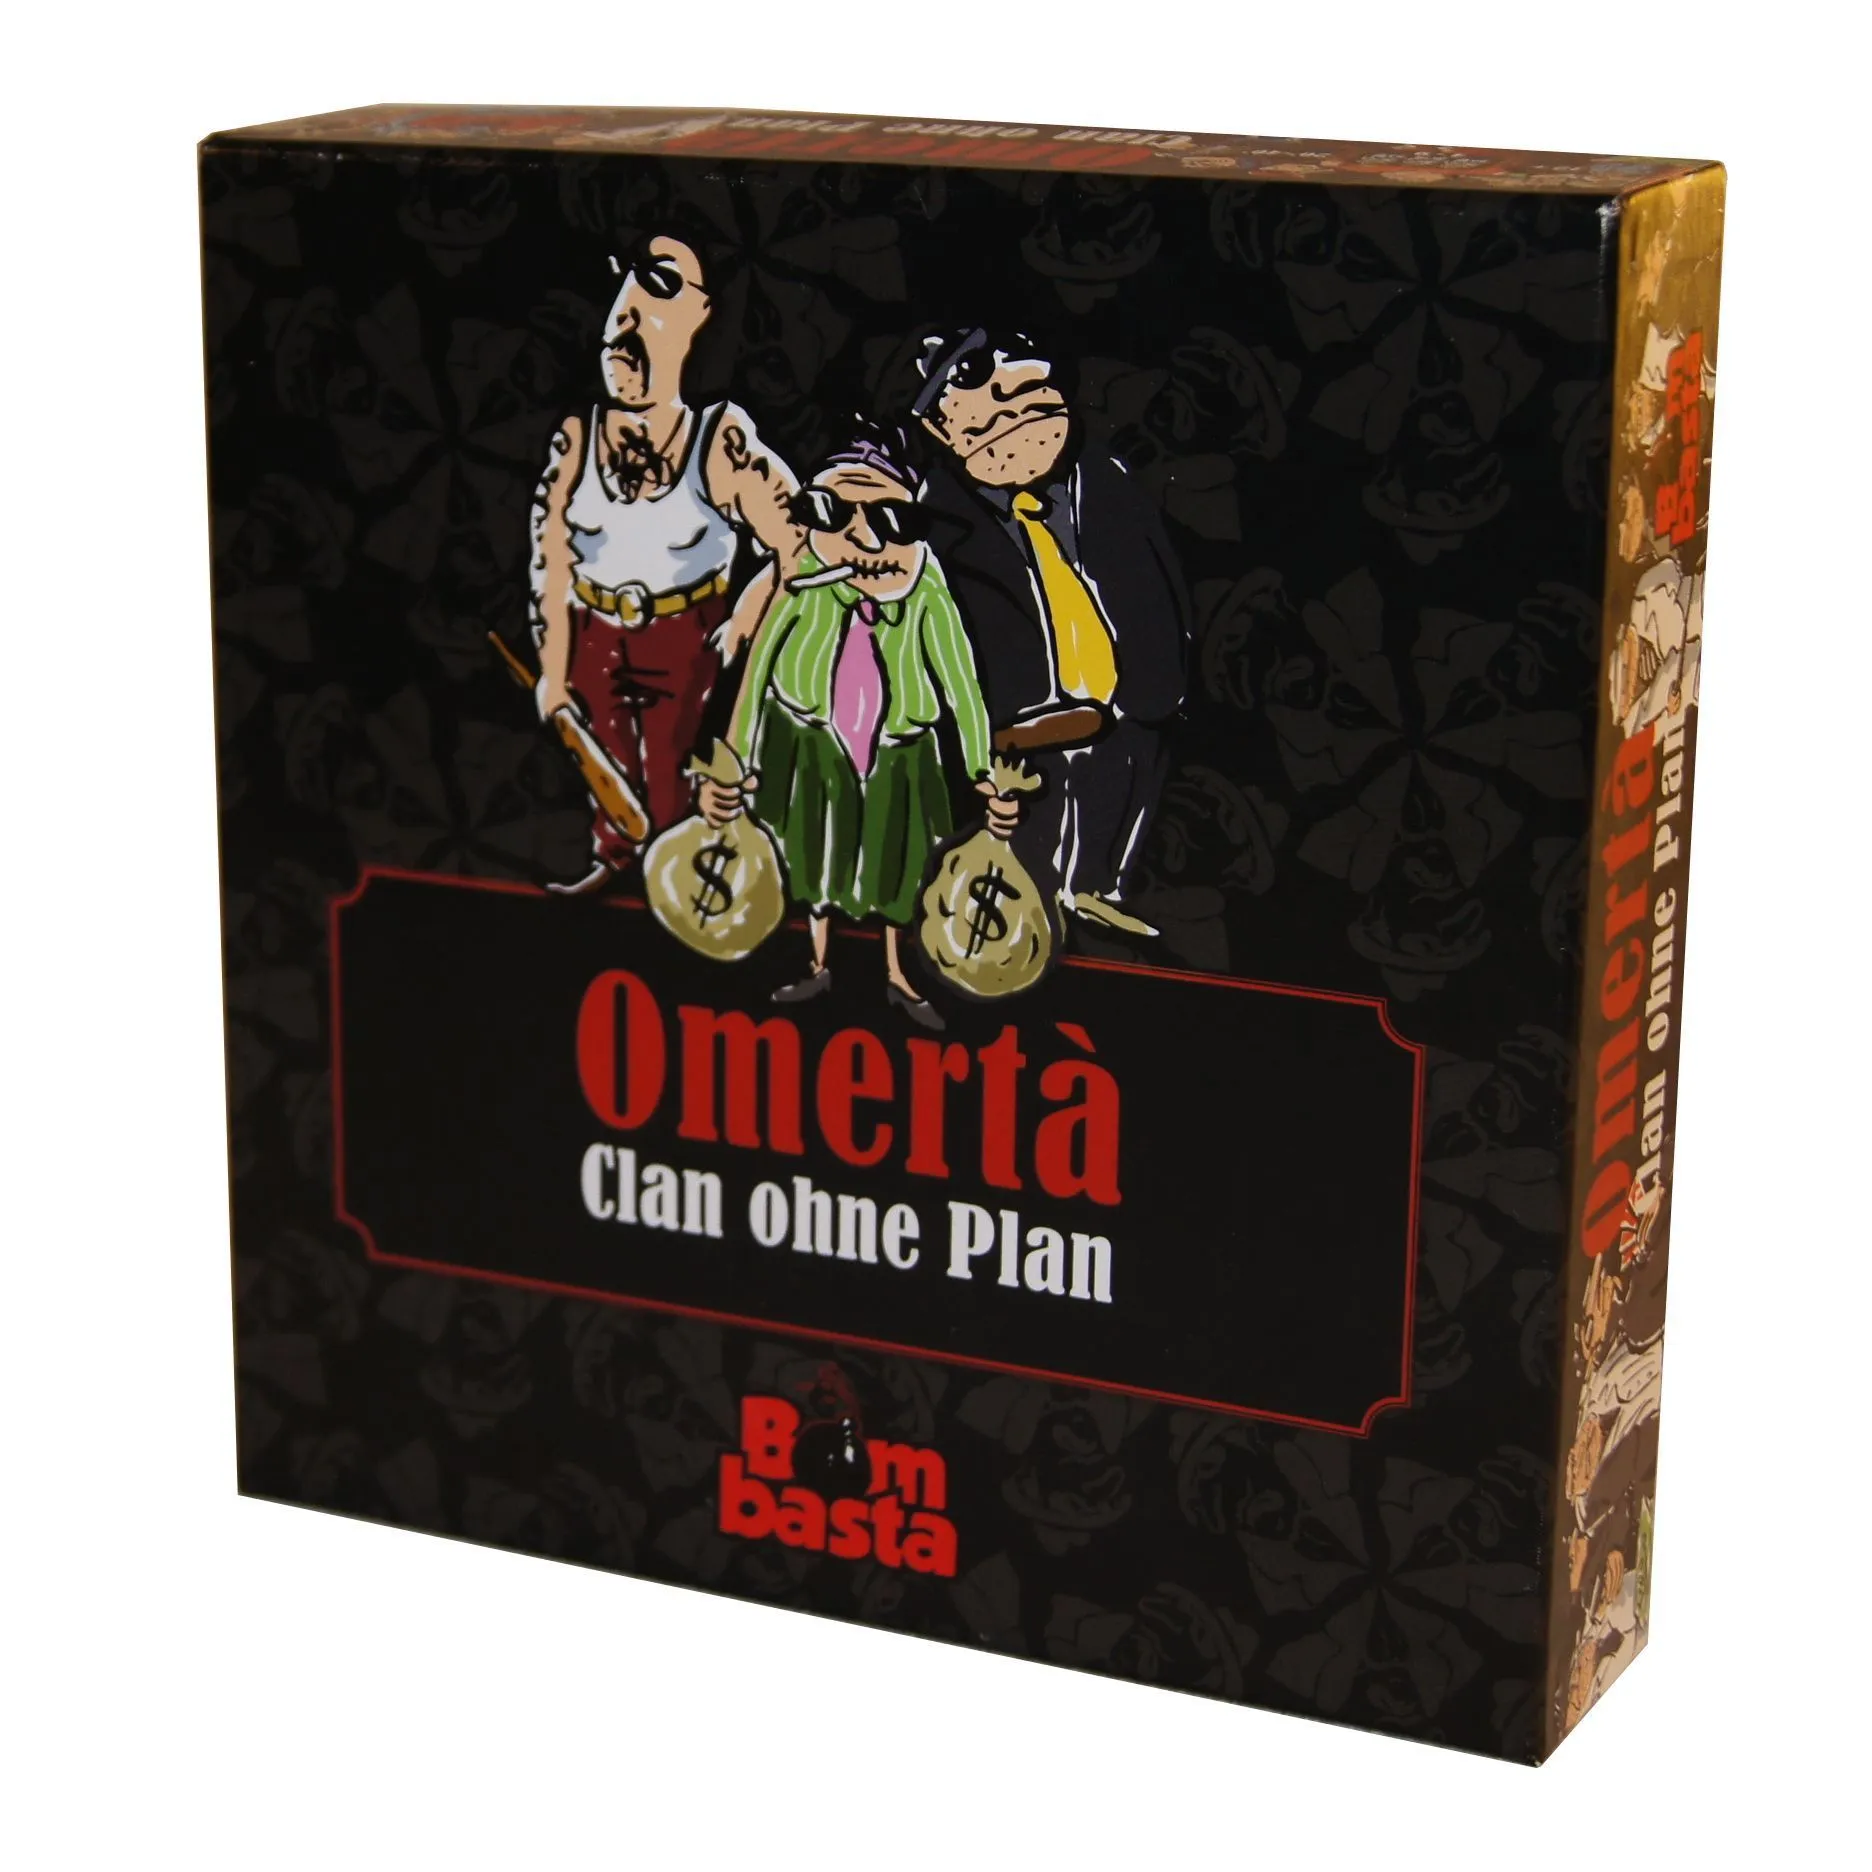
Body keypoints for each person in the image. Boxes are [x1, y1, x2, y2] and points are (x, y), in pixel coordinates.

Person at [700, 428, 1015, 1030]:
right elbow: (760, 663)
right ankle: (818, 963)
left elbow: (960, 680)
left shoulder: (924, 585)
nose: (865, 538)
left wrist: (982, 768)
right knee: (813, 851)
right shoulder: (804, 578)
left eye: (891, 519)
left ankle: (897, 973)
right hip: (808, 738)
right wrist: (736, 756)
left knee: (898, 859)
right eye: (835, 512)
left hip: (902, 747)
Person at [529, 234, 801, 895]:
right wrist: (554, 669)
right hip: (593, 631)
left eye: (660, 287)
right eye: (623, 301)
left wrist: (749, 612)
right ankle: (616, 869)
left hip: (685, 635)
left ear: (698, 320)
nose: (628, 314)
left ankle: (673, 888)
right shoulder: (577, 439)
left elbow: (797, 542)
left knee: (673, 776)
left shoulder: (718, 438)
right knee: (607, 770)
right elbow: (550, 558)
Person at [912, 327, 1189, 939]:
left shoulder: (1106, 481)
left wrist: (1157, 676)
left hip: (1126, 698)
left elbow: (1155, 578)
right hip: (1021, 717)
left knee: (1119, 790)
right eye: (986, 428)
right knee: (1030, 826)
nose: (1015, 432)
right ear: (944, 432)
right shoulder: (939, 522)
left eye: (1033, 406)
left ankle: (1097, 888)